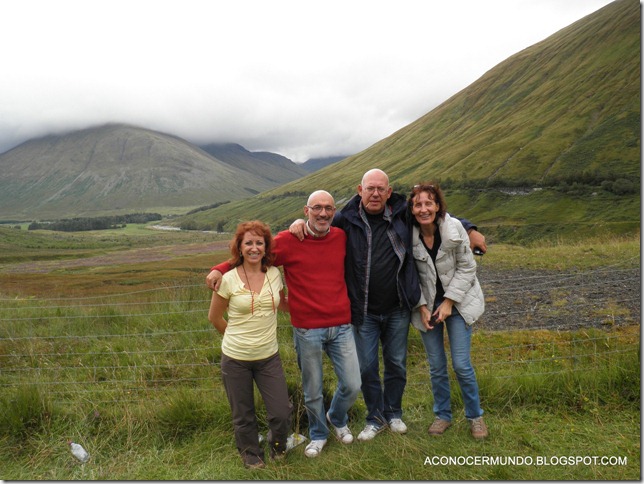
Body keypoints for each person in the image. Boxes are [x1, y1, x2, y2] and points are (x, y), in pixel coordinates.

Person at [289, 169, 486, 441]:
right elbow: (318, 218)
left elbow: (433, 214)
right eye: (370, 188)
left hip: (397, 307)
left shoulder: (401, 213)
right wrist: (299, 221)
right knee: (367, 367)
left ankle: (394, 413)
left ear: (389, 192)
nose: (376, 193)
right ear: (360, 190)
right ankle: (375, 418)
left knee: (396, 364)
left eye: (381, 189)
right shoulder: (345, 218)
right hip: (364, 310)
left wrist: (470, 227)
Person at [207, 191, 362, 459]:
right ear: (306, 210)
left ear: (334, 211)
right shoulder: (290, 240)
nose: (322, 213)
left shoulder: (341, 236)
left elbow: (257, 253)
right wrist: (221, 267)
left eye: (328, 208)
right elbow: (253, 254)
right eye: (316, 208)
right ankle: (318, 434)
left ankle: (336, 417)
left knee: (352, 383)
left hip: (341, 324)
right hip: (306, 328)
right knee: (311, 389)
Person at [208, 220, 292, 469]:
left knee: (280, 411)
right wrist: (235, 340)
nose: (254, 248)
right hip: (235, 359)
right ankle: (250, 454)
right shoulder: (227, 279)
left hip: (269, 357)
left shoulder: (275, 274)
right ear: (239, 247)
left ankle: (278, 446)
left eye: (259, 243)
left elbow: (284, 304)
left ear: (266, 247)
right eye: (249, 243)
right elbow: (214, 318)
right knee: (242, 414)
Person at [407, 182, 488, 439]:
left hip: (459, 303)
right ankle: (442, 415)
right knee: (436, 366)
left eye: (428, 203)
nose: (423, 209)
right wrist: (420, 305)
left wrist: (449, 301)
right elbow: (407, 276)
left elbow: (467, 267)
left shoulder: (454, 230)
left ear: (438, 206)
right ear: (411, 208)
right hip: (426, 306)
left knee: (462, 364)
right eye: (418, 204)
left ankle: (475, 417)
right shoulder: (406, 235)